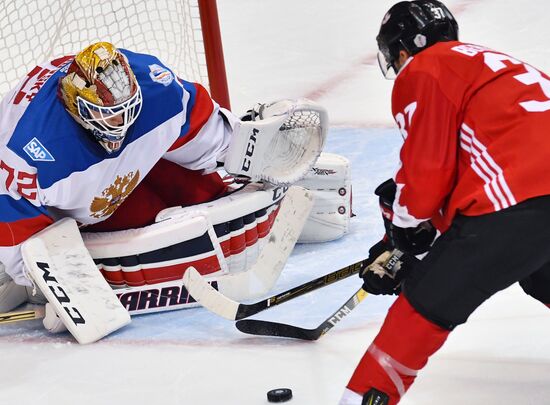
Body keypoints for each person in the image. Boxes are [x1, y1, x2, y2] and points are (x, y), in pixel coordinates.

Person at [0, 41, 326, 320]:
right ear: (76, 106)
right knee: (142, 224)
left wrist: (242, 152)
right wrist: (45, 283)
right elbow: (13, 220)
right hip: (64, 208)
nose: (120, 124)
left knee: (205, 191)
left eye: (126, 111)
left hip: (116, 171)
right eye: (108, 116)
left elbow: (200, 129)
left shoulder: (156, 85)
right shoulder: (27, 152)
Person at [339, 1, 550, 404]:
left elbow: (428, 170)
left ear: (402, 50)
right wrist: (402, 241)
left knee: (423, 304)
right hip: (533, 200)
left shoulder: (424, 68)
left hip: (523, 199)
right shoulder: (497, 65)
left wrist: (402, 233)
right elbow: (473, 166)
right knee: (539, 269)